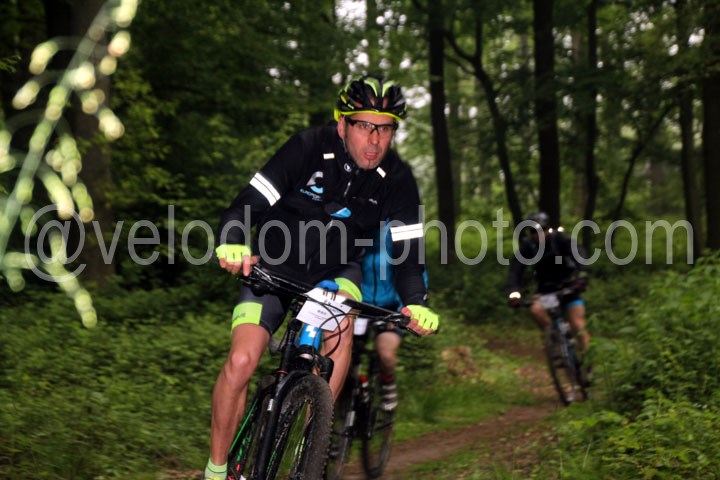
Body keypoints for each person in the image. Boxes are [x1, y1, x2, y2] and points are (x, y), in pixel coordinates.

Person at [204, 75, 440, 480]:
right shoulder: (306, 147)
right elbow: (248, 204)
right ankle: (215, 468)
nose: (375, 140)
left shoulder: (398, 178)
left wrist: (416, 302)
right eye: (364, 126)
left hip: (337, 271)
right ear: (342, 123)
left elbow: (408, 255)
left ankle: (310, 446)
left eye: (385, 129)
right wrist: (233, 241)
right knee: (242, 361)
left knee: (341, 325)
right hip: (274, 264)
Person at [359, 223, 428, 412]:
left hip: (389, 308)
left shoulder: (398, 229)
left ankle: (387, 381)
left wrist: (402, 311)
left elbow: (414, 273)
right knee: (341, 354)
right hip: (357, 305)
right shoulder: (356, 225)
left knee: (386, 353)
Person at [507, 211, 591, 355]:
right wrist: (514, 291)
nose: (538, 234)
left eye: (542, 229)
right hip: (546, 290)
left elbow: (578, 253)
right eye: (533, 231)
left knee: (578, 325)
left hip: (569, 287)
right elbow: (516, 269)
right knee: (536, 310)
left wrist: (582, 274)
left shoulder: (560, 239)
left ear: (548, 228)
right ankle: (554, 339)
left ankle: (590, 361)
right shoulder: (528, 246)